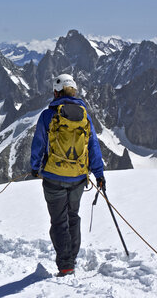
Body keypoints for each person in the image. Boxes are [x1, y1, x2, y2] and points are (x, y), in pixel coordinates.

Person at [30, 74, 105, 277]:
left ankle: (65, 264)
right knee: (73, 217)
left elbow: (38, 144)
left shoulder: (48, 116)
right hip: (78, 178)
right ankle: (71, 258)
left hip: (53, 176)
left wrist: (35, 167)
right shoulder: (85, 116)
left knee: (58, 221)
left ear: (56, 92)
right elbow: (93, 147)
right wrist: (99, 174)